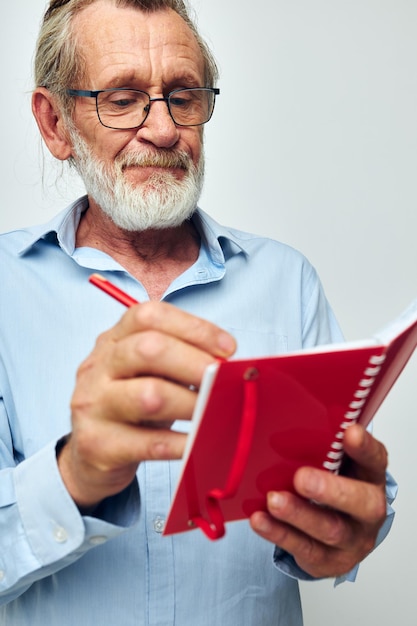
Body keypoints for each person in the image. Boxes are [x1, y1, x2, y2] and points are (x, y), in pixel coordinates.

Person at [0, 0, 396, 624]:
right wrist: (73, 475)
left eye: (183, 95)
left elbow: (342, 493)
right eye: (123, 98)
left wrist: (351, 527)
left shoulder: (286, 280)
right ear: (54, 124)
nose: (163, 131)